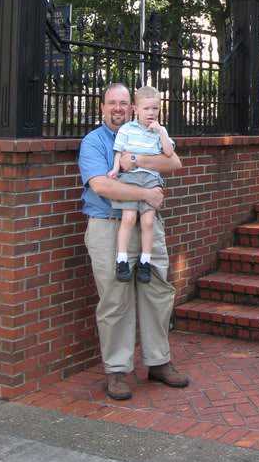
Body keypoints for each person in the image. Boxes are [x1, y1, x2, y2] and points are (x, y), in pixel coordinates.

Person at [78, 82, 189, 401]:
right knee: (115, 297)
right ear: (102, 107)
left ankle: (159, 361)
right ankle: (117, 370)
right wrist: (146, 194)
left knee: (157, 291)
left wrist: (137, 161)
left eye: (123, 102)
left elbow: (173, 162)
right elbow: (102, 186)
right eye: (111, 102)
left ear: (132, 107)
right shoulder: (94, 142)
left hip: (147, 226)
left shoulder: (149, 132)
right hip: (109, 225)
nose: (118, 108)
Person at [107, 85, 174, 286]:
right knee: (128, 218)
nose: (151, 113)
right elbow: (119, 151)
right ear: (135, 109)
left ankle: (145, 260)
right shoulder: (127, 129)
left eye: (155, 108)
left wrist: (161, 131)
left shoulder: (159, 131)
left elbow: (169, 153)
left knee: (148, 221)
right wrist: (115, 169)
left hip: (151, 179)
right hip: (130, 178)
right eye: (146, 108)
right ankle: (122, 259)